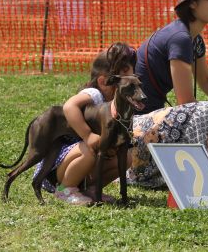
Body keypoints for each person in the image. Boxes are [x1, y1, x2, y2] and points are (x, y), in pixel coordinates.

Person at [128, 0, 208, 188]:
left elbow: (206, 81)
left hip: (154, 125)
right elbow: (185, 103)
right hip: (135, 131)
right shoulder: (180, 38)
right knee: (206, 111)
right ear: (193, 3)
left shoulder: (194, 39)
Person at [33, 42, 137, 205]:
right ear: (104, 82)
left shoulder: (115, 105)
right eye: (124, 76)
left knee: (126, 159)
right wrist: (87, 135)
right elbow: (69, 106)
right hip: (58, 168)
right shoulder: (95, 94)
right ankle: (64, 190)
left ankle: (91, 189)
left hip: (83, 162)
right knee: (88, 151)